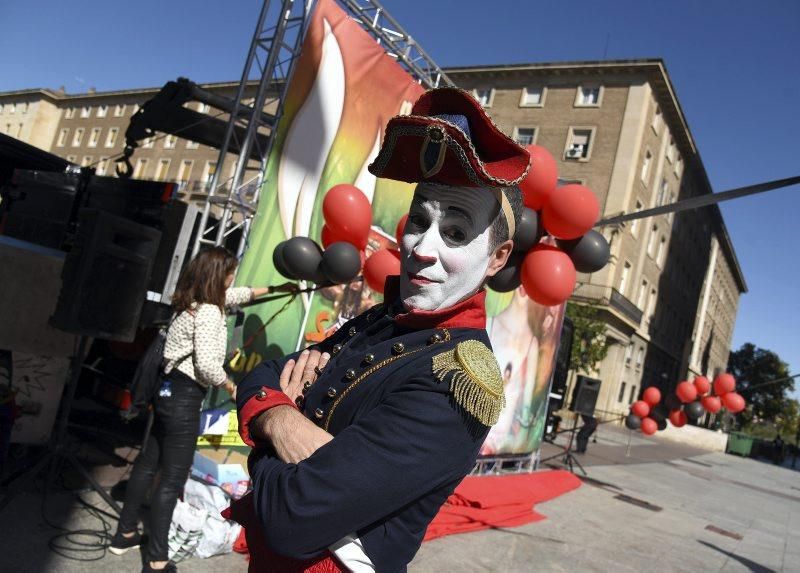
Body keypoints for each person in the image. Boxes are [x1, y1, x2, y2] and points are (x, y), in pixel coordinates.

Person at [229, 87, 532, 571]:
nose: (421, 247)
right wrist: (281, 421)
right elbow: (264, 374)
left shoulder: (459, 382)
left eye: (455, 232)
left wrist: (268, 432)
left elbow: (292, 518)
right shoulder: (382, 320)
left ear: (497, 258)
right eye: (419, 219)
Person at [109, 247, 293, 573]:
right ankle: (156, 559)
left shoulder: (191, 305)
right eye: (229, 273)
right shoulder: (209, 313)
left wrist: (277, 290)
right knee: (171, 479)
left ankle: (123, 534)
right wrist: (231, 386)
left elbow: (239, 295)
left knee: (148, 464)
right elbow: (208, 366)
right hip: (183, 399)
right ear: (217, 276)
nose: (233, 278)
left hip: (166, 393)